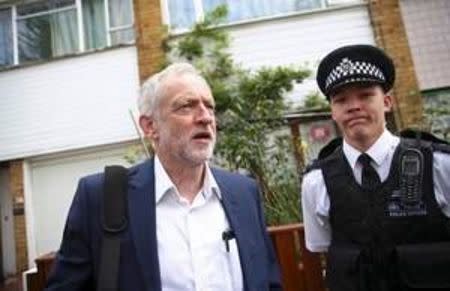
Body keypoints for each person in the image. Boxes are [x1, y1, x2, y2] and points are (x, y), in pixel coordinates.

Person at [45, 63, 282, 291]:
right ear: (150, 127)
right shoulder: (102, 197)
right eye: (186, 106)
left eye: (209, 106)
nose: (205, 117)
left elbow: (268, 281)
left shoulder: (244, 192)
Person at [301, 44, 450, 291]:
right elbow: (323, 246)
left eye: (366, 95)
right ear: (333, 112)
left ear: (388, 101)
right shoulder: (316, 182)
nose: (353, 106)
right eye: (341, 100)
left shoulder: (438, 165)